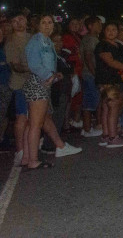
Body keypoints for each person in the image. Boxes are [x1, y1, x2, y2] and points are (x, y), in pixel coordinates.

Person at [23, 15, 82, 169]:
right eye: (43, 22)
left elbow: (50, 63)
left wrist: (55, 75)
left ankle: (29, 157)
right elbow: (34, 64)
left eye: (50, 22)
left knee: (38, 121)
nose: (47, 25)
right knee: (36, 124)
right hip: (38, 84)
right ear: (38, 25)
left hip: (43, 84)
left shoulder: (47, 41)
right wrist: (49, 76)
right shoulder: (36, 41)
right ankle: (33, 160)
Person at [95, 22, 123, 148]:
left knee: (107, 107)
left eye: (114, 29)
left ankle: (106, 135)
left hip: (116, 80)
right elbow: (110, 61)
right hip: (107, 81)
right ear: (104, 31)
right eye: (108, 30)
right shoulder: (102, 45)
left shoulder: (119, 45)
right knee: (113, 108)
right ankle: (112, 137)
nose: (111, 32)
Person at [41, 31, 73, 154]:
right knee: (55, 118)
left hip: (63, 89)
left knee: (59, 116)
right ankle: (49, 145)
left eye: (60, 40)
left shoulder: (60, 55)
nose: (59, 43)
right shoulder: (49, 56)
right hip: (56, 91)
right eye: (55, 41)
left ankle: (52, 143)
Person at [6, 12, 32, 166]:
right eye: (14, 21)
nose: (18, 23)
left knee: (33, 116)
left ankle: (30, 146)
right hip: (20, 84)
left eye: (21, 19)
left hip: (34, 83)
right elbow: (15, 66)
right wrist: (32, 69)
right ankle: (20, 150)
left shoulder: (33, 38)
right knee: (21, 117)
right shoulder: (11, 42)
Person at [79, 17, 103, 138]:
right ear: (90, 26)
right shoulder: (90, 39)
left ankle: (95, 126)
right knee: (89, 103)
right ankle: (87, 129)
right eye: (98, 24)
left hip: (91, 74)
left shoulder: (94, 38)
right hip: (90, 75)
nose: (100, 26)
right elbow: (88, 58)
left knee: (95, 100)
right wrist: (96, 74)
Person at [62, 18, 84, 129]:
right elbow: (67, 55)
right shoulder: (67, 37)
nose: (75, 25)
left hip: (79, 70)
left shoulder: (78, 37)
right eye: (73, 23)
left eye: (77, 23)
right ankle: (67, 123)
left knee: (77, 97)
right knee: (70, 98)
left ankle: (75, 120)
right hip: (73, 70)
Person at [0, 27, 12, 148]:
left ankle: (2, 137)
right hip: (2, 85)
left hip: (6, 84)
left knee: (4, 114)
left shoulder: (4, 49)